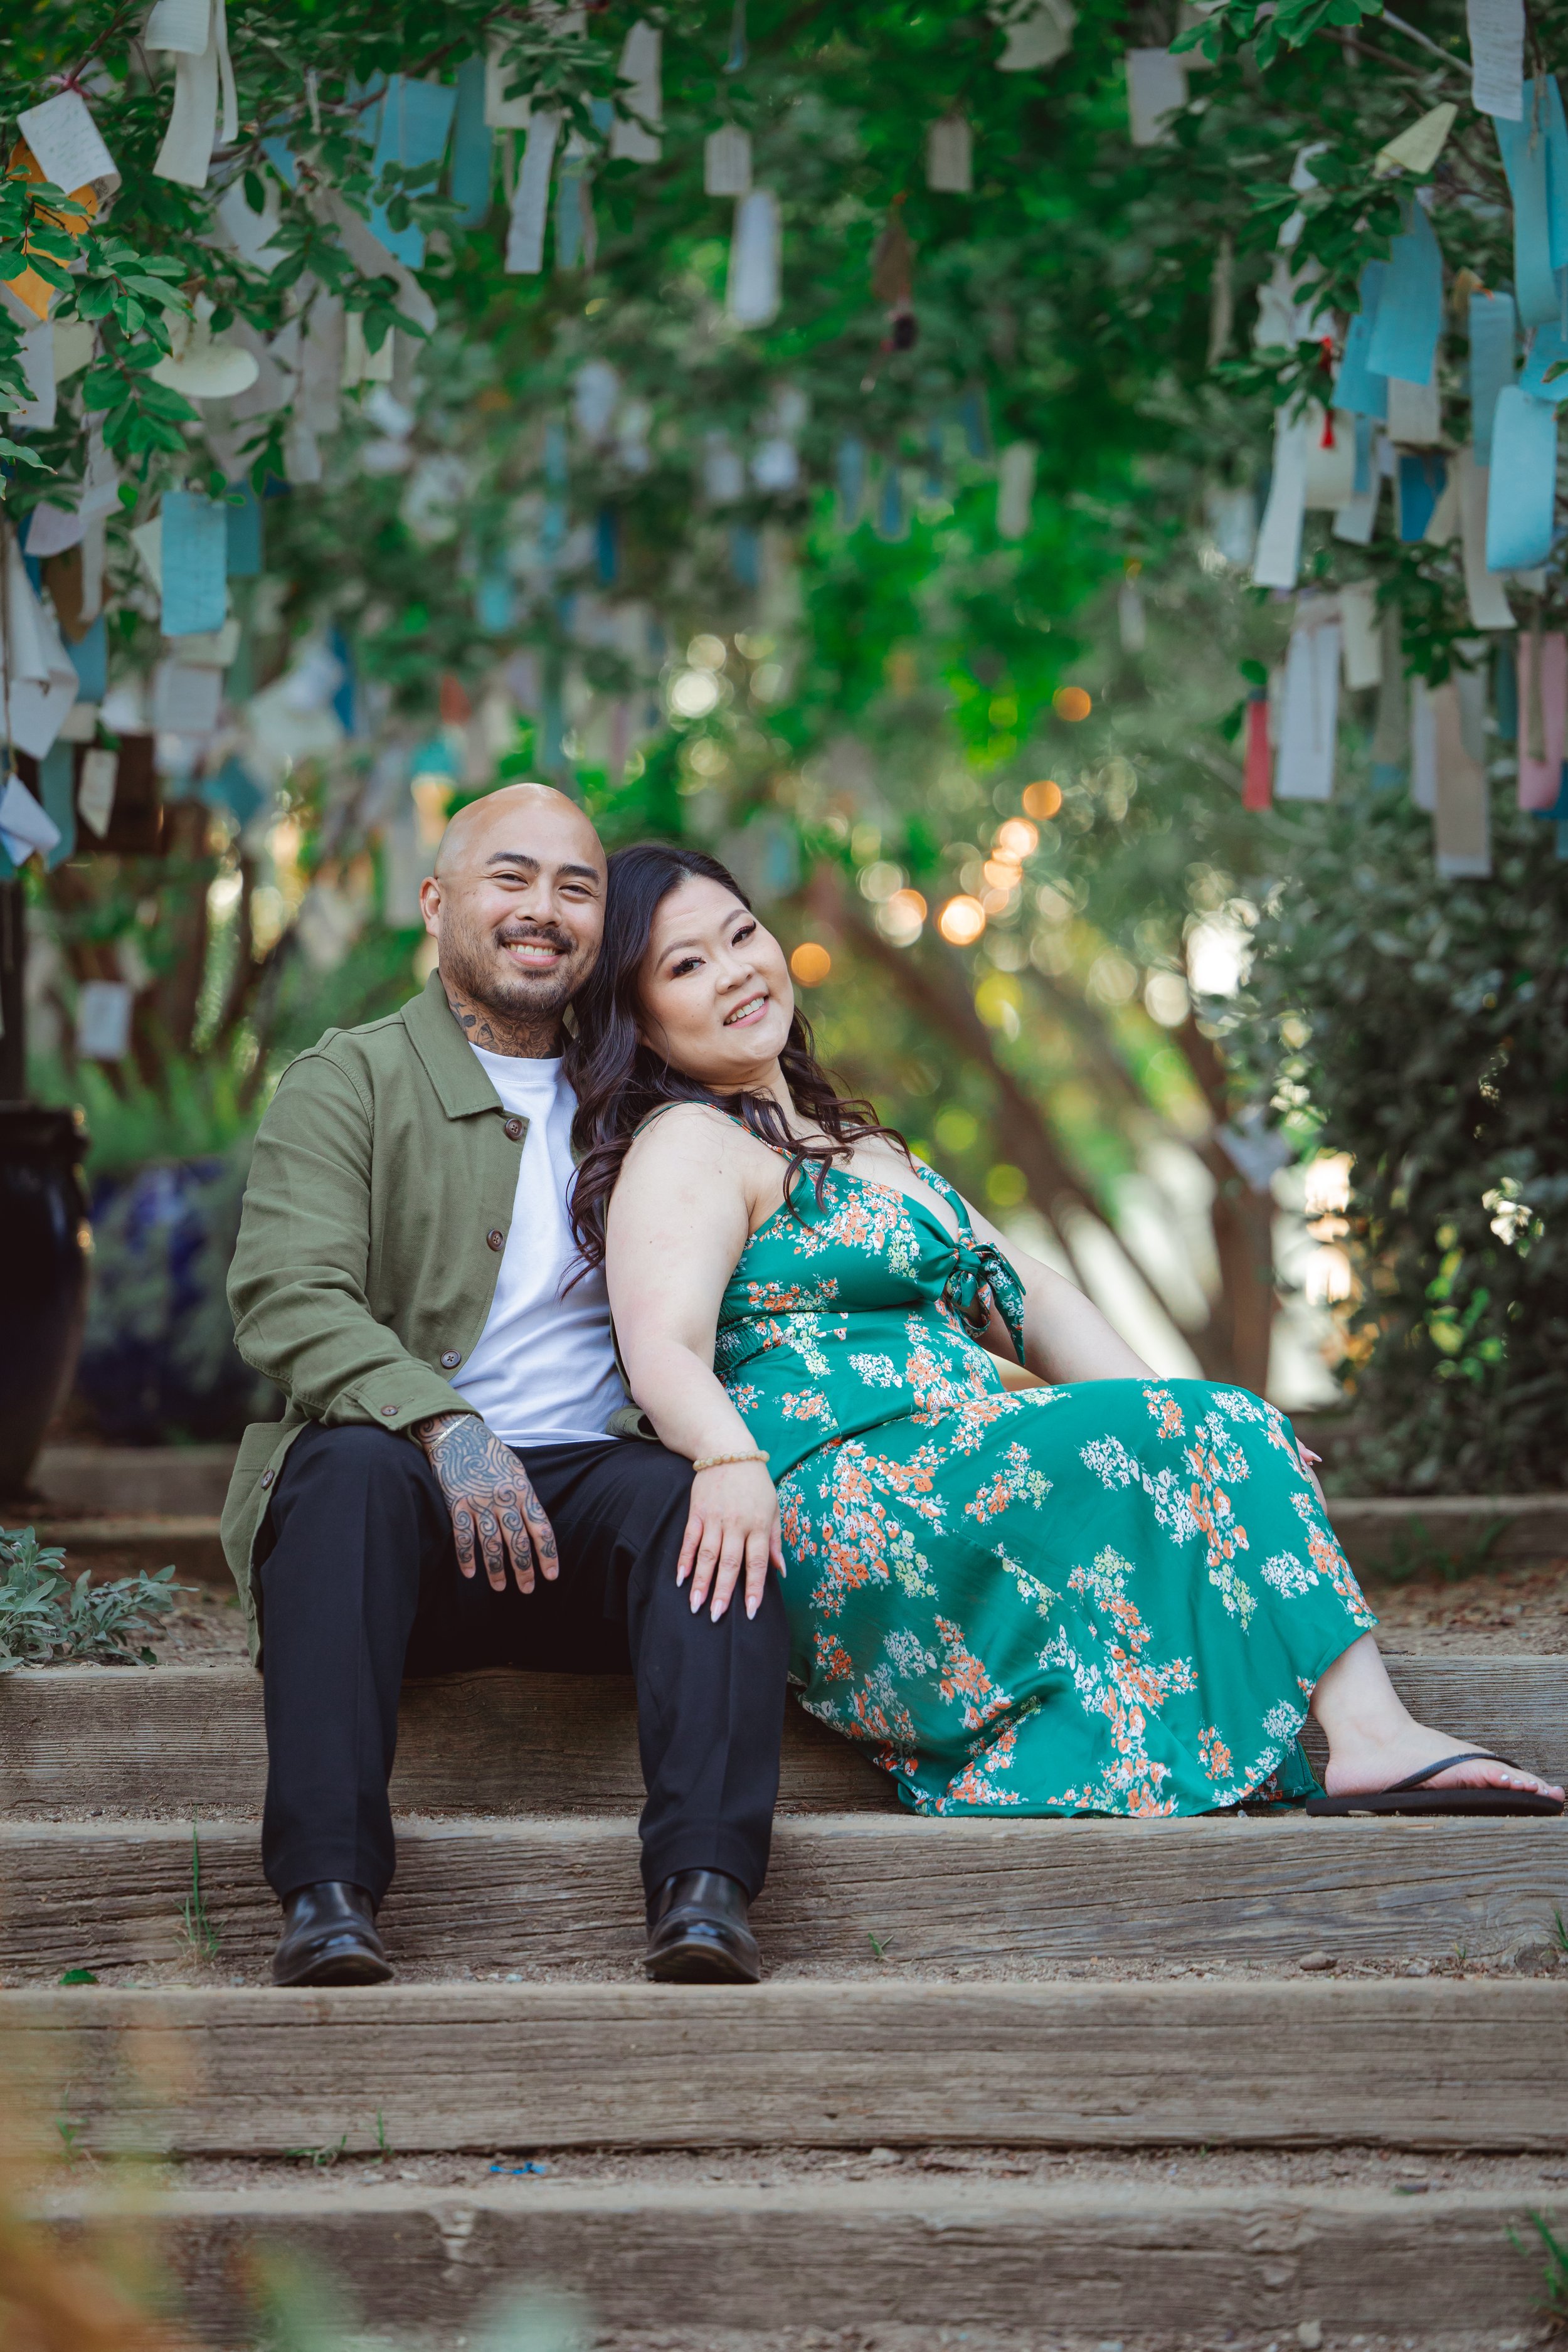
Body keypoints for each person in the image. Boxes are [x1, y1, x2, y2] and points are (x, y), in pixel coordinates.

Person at [567, 844, 1564, 1823]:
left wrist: (1189, 1418)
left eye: (742, 934)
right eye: (686, 965)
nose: (736, 969)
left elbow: (1027, 1294)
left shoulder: (860, 1145)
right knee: (1216, 1427)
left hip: (957, 1465)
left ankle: (1370, 1732)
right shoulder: (688, 1143)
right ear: (643, 1026)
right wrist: (727, 1455)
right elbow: (662, 1346)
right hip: (853, 1498)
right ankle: (1376, 1738)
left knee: (1224, 1423)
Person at [221, 789, 789, 1990]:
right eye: (510, 879)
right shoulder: (348, 1081)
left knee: (706, 1492)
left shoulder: (643, 1100)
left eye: (577, 888)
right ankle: (327, 1892)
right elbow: (284, 1297)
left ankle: (706, 1888)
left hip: (592, 1516)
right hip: (405, 1520)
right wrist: (444, 1420)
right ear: (438, 904)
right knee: (344, 1470)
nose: (544, 911)